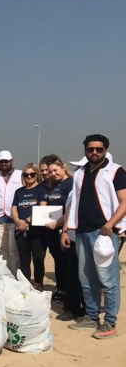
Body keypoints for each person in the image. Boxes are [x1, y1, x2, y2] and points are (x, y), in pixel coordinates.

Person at [63, 134, 126, 338]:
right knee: (86, 278)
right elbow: (73, 203)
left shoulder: (115, 171)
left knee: (108, 279)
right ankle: (91, 316)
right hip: (81, 231)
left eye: (99, 149)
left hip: (104, 233)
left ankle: (110, 322)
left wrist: (109, 225)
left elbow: (125, 201)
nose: (95, 152)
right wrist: (67, 229)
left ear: (105, 150)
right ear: (85, 151)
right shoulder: (80, 173)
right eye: (91, 149)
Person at [43, 158, 74, 311]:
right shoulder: (54, 186)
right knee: (58, 260)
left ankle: (68, 291)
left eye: (55, 170)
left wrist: (58, 223)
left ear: (63, 168)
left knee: (66, 261)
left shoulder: (70, 183)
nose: (53, 174)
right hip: (52, 229)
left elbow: (71, 209)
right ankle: (60, 288)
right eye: (50, 172)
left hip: (63, 228)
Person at [12, 164, 48, 289]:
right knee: (24, 259)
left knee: (38, 258)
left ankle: (38, 283)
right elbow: (14, 208)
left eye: (32, 174)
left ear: (37, 175)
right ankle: (25, 284)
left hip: (37, 230)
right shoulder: (19, 191)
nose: (29, 177)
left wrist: (29, 220)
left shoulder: (42, 189)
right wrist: (17, 221)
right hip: (21, 229)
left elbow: (43, 207)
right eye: (26, 174)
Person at [0, 150, 23, 275]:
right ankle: (3, 274)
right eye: (2, 161)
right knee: (1, 248)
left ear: (12, 161)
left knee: (13, 249)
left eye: (6, 161)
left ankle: (14, 274)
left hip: (14, 217)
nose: (4, 163)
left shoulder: (20, 175)